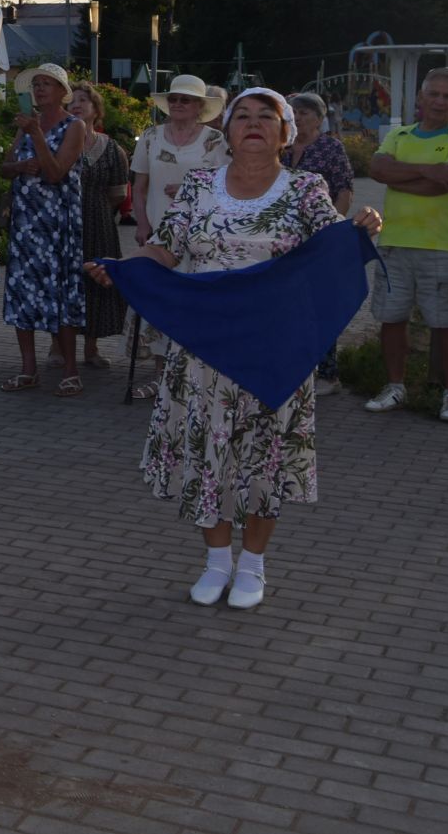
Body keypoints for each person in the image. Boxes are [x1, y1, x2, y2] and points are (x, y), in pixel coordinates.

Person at [87, 88, 380, 610]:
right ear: (227, 131)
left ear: (285, 133)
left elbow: (332, 251)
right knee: (208, 455)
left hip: (274, 349)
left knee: (265, 456)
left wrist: (362, 229)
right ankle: (217, 561)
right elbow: (166, 248)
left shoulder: (307, 190)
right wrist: (126, 272)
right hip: (203, 347)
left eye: (265, 117)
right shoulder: (200, 186)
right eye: (241, 115)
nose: (252, 123)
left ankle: (254, 566)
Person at [361, 69, 448, 421]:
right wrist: (429, 170)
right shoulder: (399, 134)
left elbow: (447, 184)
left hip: (444, 244)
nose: (440, 102)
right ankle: (395, 387)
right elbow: (378, 169)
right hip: (395, 243)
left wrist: (403, 177)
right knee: (392, 318)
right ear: (420, 97)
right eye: (434, 94)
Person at [128, 75, 229, 398]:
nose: (178, 104)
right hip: (159, 232)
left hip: (200, 235)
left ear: (200, 106)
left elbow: (228, 187)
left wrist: (192, 187)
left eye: (185, 100)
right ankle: (160, 375)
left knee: (193, 303)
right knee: (160, 301)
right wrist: (141, 223)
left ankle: (195, 375)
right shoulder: (151, 137)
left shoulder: (216, 141)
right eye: (173, 99)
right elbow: (139, 188)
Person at [0, 63, 87, 394]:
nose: (39, 89)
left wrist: (36, 135)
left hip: (57, 227)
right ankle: (28, 369)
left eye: (47, 84)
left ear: (63, 91)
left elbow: (55, 173)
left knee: (60, 294)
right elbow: (5, 169)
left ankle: (70, 369)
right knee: (24, 291)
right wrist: (20, 165)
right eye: (35, 84)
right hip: (25, 226)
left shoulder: (73, 126)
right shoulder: (26, 126)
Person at [285, 92, 357, 393]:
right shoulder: (282, 149)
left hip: (318, 236)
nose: (298, 117)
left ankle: (328, 374)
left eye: (303, 112)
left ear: (319, 117)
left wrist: (330, 228)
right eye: (293, 112)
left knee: (319, 305)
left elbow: (344, 190)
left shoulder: (330, 147)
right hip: (283, 237)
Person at [68, 83, 130, 369]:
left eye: (84, 100)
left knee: (96, 280)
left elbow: (119, 192)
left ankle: (91, 348)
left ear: (96, 109)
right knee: (65, 281)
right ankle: (58, 347)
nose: (77, 104)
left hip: (100, 222)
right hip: (64, 222)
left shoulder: (112, 149)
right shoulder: (58, 140)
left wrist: (97, 208)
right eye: (72, 100)